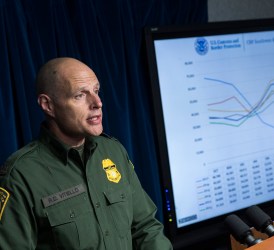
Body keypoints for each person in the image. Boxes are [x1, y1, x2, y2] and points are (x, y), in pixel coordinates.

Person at [0, 57, 173, 249]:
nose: (97, 103)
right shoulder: (20, 176)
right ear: (47, 105)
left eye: (96, 91)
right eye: (80, 95)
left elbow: (146, 228)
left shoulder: (113, 151)